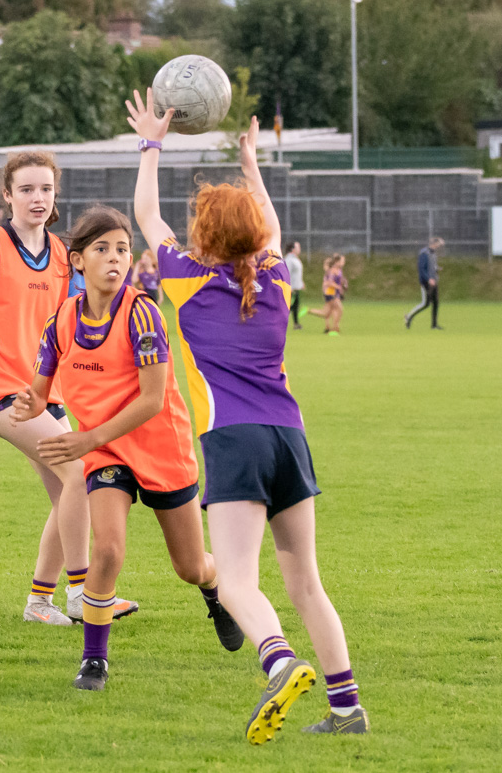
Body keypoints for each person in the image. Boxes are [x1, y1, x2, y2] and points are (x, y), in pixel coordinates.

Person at [128, 91, 368, 742]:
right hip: (290, 439)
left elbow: (143, 212)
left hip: (233, 442)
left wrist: (151, 142)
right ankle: (347, 710)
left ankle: (278, 660)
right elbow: (264, 221)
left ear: (203, 233)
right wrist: (250, 160)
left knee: (233, 580)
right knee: (306, 584)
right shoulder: (274, 277)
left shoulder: (183, 278)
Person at [12, 204, 243, 691]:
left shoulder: (142, 313)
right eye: (102, 249)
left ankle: (216, 591)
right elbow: (39, 389)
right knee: (109, 550)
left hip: (161, 447)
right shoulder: (62, 322)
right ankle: (94, 661)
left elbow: (154, 399)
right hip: (107, 454)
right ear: (77, 260)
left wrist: (86, 437)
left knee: (190, 566)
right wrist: (26, 404)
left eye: (122, 249)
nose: (115, 258)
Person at [0, 150, 136, 627]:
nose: (37, 198)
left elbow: (75, 322)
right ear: (6, 195)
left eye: (45, 189)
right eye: (26, 189)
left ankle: (41, 602)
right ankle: (83, 594)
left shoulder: (64, 255)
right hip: (1, 390)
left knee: (70, 492)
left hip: (47, 394)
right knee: (78, 475)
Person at [404, 237, 443, 330]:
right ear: (433, 244)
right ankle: (408, 317)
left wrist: (437, 269)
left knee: (436, 303)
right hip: (426, 283)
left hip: (434, 281)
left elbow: (432, 266)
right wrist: (428, 279)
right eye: (438, 244)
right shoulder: (424, 253)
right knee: (425, 304)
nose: (439, 246)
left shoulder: (433, 254)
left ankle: (434, 325)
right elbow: (421, 269)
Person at [305, 255, 346, 335]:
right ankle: (335, 329)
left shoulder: (338, 270)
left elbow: (339, 281)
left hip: (334, 293)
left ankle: (309, 310)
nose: (343, 262)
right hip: (330, 293)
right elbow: (330, 282)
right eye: (342, 261)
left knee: (326, 313)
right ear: (337, 262)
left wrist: (342, 286)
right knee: (339, 309)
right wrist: (339, 287)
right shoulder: (332, 270)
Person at [284, 242, 304, 330]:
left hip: (296, 287)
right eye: (298, 247)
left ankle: (296, 324)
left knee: (295, 306)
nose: (299, 249)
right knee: (288, 307)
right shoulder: (289, 259)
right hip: (291, 288)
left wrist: (301, 283)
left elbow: (297, 273)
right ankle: (279, 321)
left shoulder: (295, 258)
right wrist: (289, 287)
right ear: (293, 249)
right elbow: (286, 273)